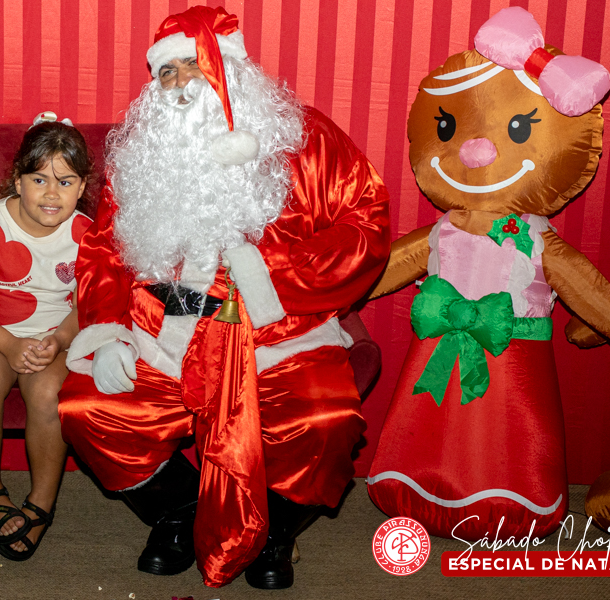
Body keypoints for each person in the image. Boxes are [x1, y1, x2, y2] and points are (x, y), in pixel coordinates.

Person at [59, 6, 390, 589]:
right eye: (167, 72)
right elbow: (104, 249)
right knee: (88, 409)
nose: (181, 83)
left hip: (278, 332)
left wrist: (270, 272)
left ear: (231, 68)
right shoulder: (143, 152)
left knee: (325, 422)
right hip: (166, 333)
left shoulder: (302, 135)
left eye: (195, 65)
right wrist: (107, 331)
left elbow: (367, 224)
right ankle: (179, 513)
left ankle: (276, 530)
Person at [0, 112, 93, 561]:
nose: (52, 193)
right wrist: (9, 345)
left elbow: (88, 305)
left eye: (65, 182)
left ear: (82, 187)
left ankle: (42, 500)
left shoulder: (87, 234)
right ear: (18, 180)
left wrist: (60, 339)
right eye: (39, 179)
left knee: (49, 393)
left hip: (54, 336)